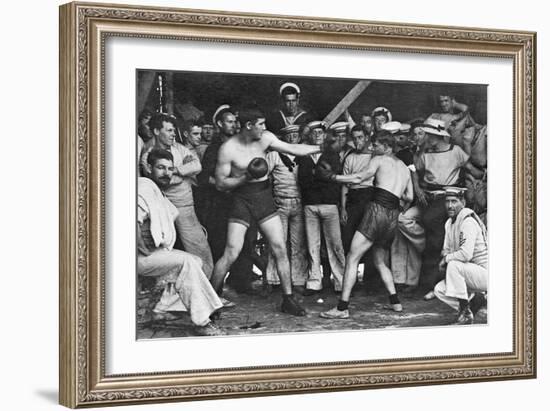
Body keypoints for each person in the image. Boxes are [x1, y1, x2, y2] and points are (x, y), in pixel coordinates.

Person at [211, 107, 323, 316]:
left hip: (263, 198)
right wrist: (245, 177)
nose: (264, 127)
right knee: (231, 251)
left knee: (280, 247)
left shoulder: (266, 138)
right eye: (260, 124)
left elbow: (292, 148)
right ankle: (210, 300)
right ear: (249, 126)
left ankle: (288, 300)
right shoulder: (228, 149)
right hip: (241, 198)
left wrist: (319, 147)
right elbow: (220, 183)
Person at [321, 130, 414, 319]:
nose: (372, 148)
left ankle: (341, 308)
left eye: (376, 145)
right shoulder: (404, 167)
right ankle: (395, 302)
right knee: (380, 260)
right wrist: (392, 196)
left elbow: (358, 178)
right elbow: (409, 197)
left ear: (386, 146)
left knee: (352, 257)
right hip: (392, 214)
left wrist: (332, 177)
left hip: (377, 210)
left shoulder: (379, 159)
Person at [137, 148, 224, 336]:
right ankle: (202, 321)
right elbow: (132, 222)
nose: (166, 173)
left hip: (152, 254)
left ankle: (162, 309)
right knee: (187, 262)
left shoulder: (157, 191)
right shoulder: (143, 188)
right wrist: (142, 249)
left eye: (169, 169)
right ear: (149, 167)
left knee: (196, 261)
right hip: (138, 257)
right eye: (160, 168)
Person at [414, 118, 484, 298]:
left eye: (429, 135)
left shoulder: (456, 151)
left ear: (437, 136)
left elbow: (472, 169)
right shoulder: (426, 153)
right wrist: (418, 188)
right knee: (434, 242)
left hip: (447, 199)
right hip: (429, 197)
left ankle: (434, 285)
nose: (427, 138)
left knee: (437, 242)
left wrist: (485, 174)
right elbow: (414, 170)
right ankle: (432, 285)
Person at [141, 113, 214, 279]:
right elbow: (164, 180)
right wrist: (183, 173)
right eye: (169, 130)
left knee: (200, 248)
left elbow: (196, 165)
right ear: (156, 131)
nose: (174, 134)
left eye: (174, 130)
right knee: (163, 250)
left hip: (185, 206)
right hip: (163, 209)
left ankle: (209, 289)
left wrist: (176, 170)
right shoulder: (148, 154)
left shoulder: (179, 148)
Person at [197, 105, 259, 294]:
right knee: (221, 244)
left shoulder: (240, 146)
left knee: (247, 241)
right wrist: (222, 185)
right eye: (229, 122)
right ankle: (215, 290)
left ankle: (242, 282)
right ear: (219, 124)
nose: (233, 125)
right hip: (221, 204)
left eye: (235, 122)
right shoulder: (214, 149)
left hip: (242, 201)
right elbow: (203, 177)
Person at [298, 121, 363, 295]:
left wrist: (320, 177)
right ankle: (314, 283)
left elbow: (332, 179)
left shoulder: (331, 155)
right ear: (310, 135)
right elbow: (303, 181)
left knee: (335, 244)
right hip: (310, 204)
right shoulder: (303, 156)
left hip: (329, 203)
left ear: (325, 136)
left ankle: (342, 282)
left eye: (320, 132)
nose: (317, 135)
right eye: (314, 132)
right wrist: (320, 177)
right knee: (313, 245)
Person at [381, 122, 426, 290]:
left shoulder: (407, 154)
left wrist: (406, 203)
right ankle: (399, 278)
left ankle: (412, 280)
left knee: (408, 239)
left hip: (410, 201)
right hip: (397, 200)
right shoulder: (395, 154)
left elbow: (412, 179)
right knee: (398, 240)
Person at [433, 187, 488, 325]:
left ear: (463, 202)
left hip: (485, 273)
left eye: (454, 201)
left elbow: (466, 254)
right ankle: (473, 304)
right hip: (470, 273)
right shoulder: (449, 223)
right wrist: (446, 256)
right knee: (439, 290)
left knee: (453, 264)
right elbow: (445, 250)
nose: (450, 205)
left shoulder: (467, 221)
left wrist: (446, 259)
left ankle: (465, 312)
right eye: (447, 201)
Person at [265, 124, 308, 291]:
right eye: (289, 135)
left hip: (299, 202)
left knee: (298, 244)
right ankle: (273, 280)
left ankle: (298, 281)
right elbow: (265, 178)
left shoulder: (303, 155)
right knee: (277, 243)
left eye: (295, 135)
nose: (292, 138)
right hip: (280, 202)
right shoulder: (274, 155)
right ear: (284, 138)